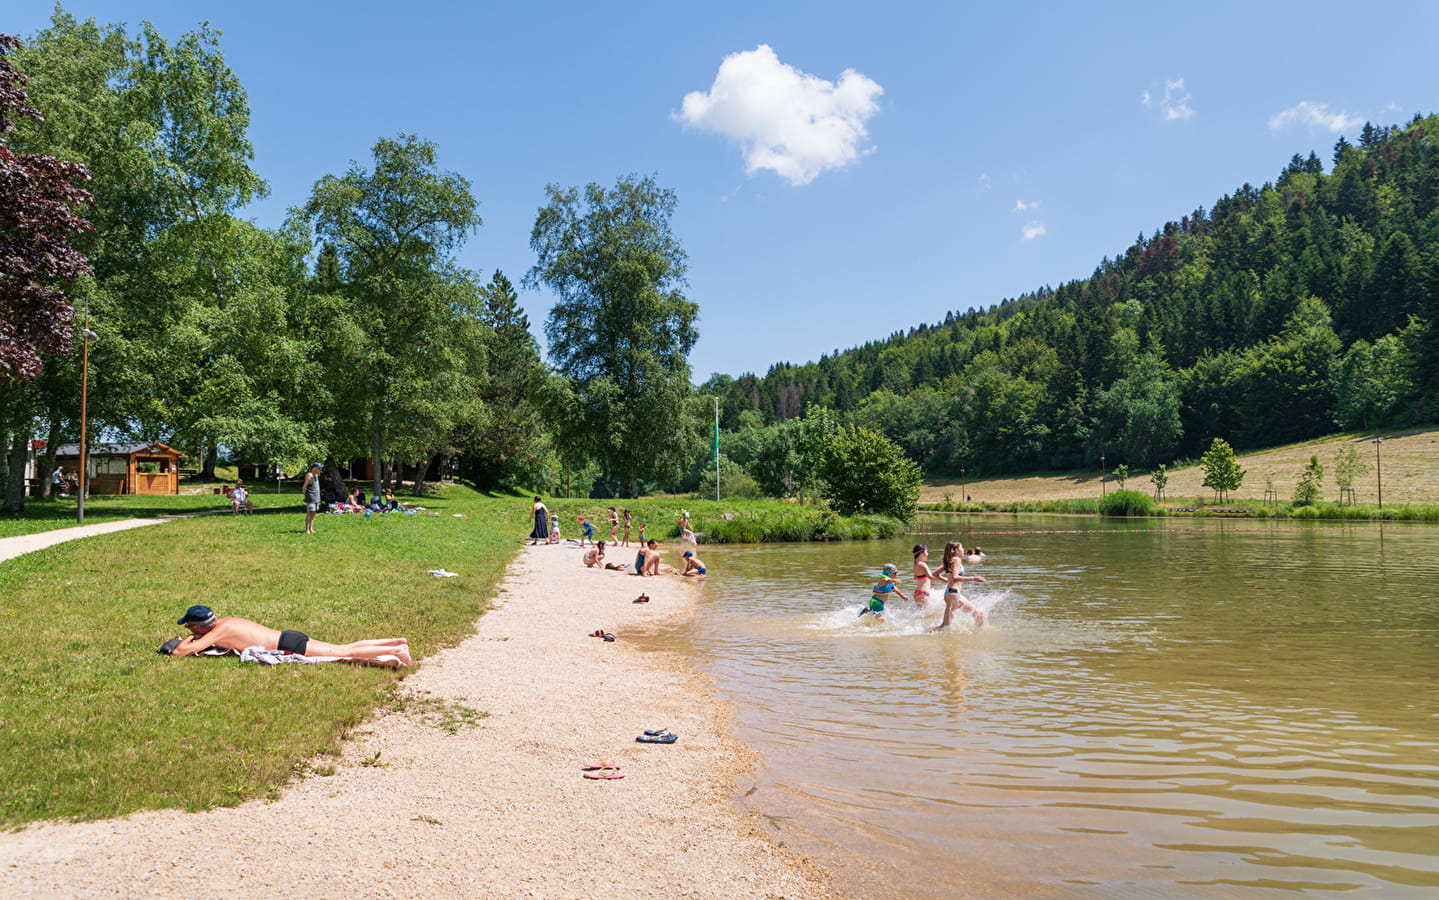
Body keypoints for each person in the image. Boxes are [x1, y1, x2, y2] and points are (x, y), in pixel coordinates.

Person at [165, 605, 411, 667]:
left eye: (189, 628)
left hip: (287, 644)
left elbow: (178, 653)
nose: (189, 632)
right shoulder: (227, 621)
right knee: (343, 646)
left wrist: (187, 640)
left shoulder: (219, 631)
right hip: (288, 636)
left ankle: (396, 652)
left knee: (344, 653)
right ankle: (395, 641)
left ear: (198, 627)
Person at [933, 541, 987, 631]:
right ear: (956, 551)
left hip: (950, 593)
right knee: (945, 627)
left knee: (978, 614)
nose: (963, 550)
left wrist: (947, 580)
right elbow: (955, 577)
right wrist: (974, 578)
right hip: (953, 594)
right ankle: (979, 635)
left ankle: (978, 633)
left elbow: (935, 574)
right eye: (962, 548)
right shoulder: (957, 560)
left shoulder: (949, 561)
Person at [912, 544, 936, 609]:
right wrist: (945, 579)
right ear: (921, 553)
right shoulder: (922, 564)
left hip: (918, 592)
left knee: (922, 615)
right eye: (926, 552)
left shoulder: (915, 564)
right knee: (924, 616)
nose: (927, 554)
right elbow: (930, 577)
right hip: (923, 593)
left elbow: (915, 577)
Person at [301, 463, 322, 534]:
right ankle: (307, 530)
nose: (320, 470)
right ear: (314, 468)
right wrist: (305, 496)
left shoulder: (316, 475)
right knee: (309, 513)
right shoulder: (309, 475)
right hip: (310, 497)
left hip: (316, 497)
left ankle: (311, 528)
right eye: (319, 468)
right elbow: (304, 487)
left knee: (313, 513)